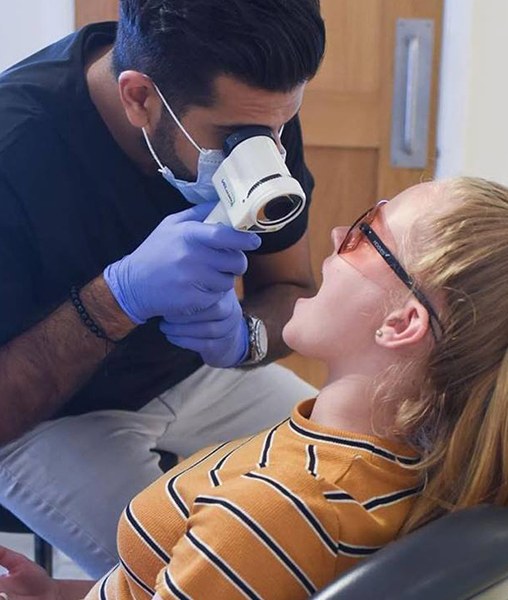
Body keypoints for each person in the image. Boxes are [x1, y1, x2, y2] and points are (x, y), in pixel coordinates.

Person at [2, 175, 508, 599]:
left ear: (401, 324)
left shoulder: (272, 512)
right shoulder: (409, 466)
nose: (334, 234)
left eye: (365, 233)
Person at [0, 0, 326, 577]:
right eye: (236, 136)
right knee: (217, 575)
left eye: (281, 124)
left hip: (196, 373)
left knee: (375, 485)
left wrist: (245, 338)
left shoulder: (255, 110)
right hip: (43, 418)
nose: (268, 152)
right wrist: (116, 298)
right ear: (140, 98)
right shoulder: (16, 150)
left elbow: (293, 287)